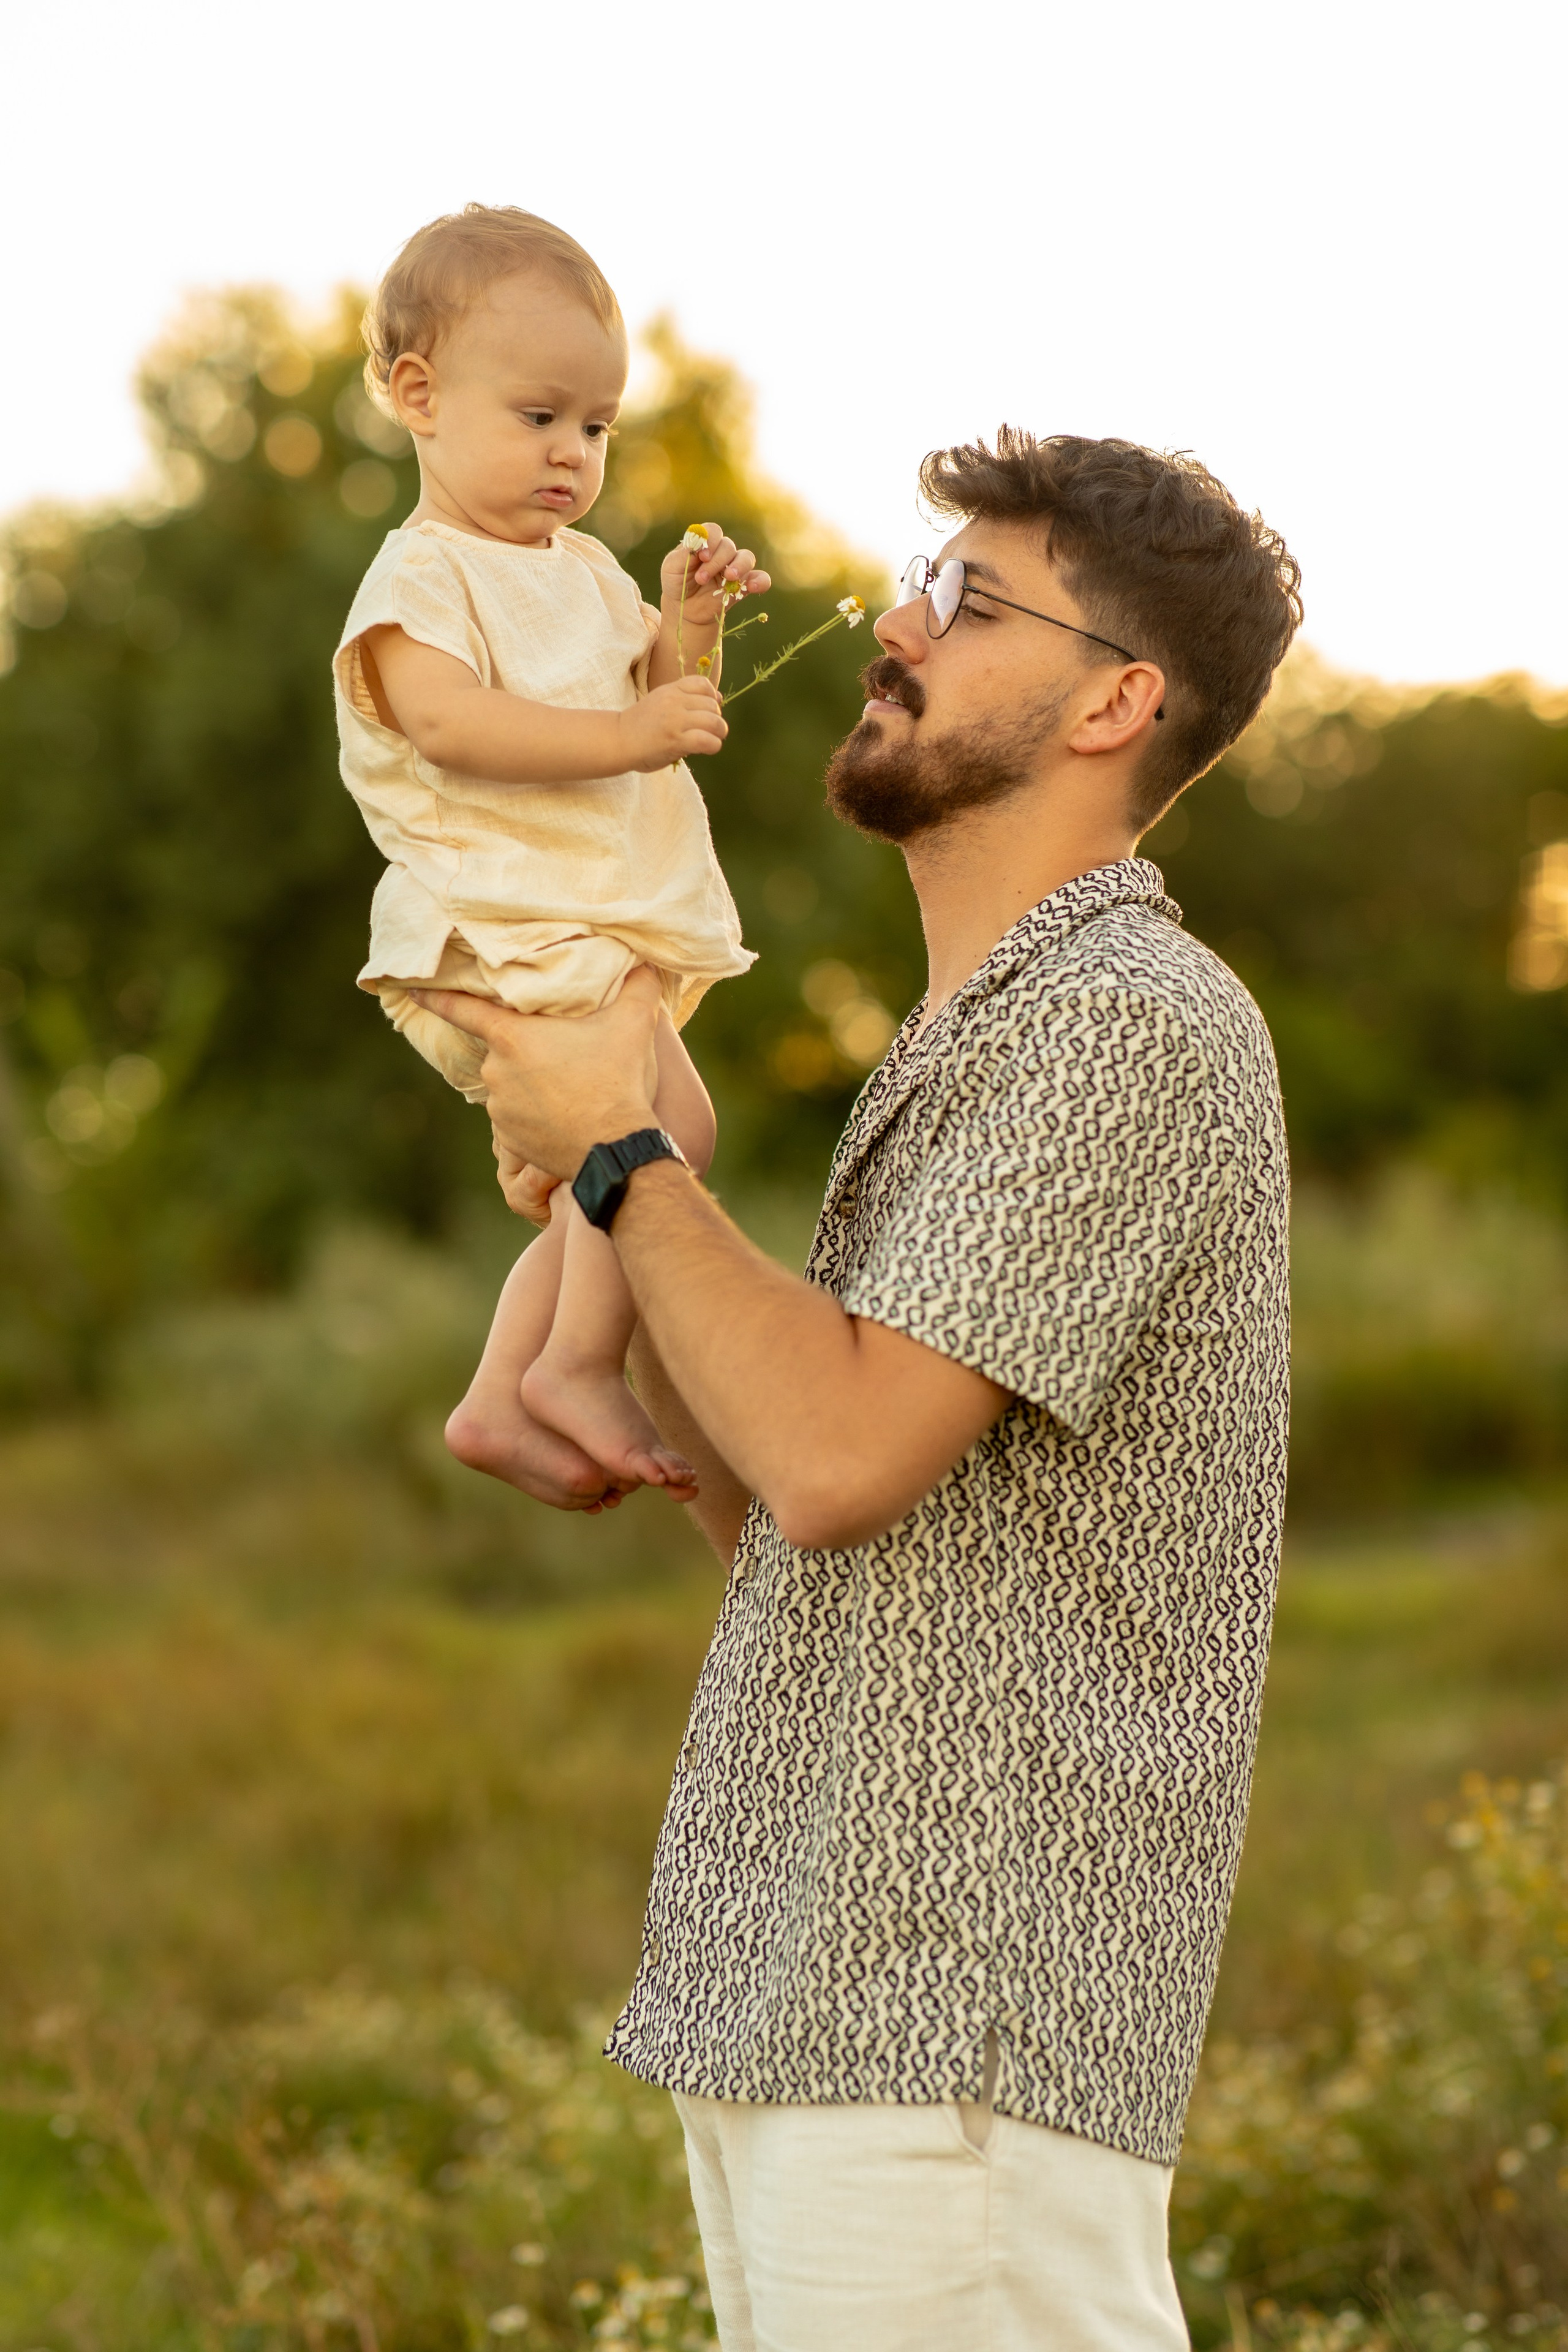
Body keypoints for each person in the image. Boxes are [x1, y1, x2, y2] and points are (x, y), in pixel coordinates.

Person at [415, 429, 1303, 2351]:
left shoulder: (1130, 1027)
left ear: (1116, 701)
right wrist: (614, 1196)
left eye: (970, 601)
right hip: (808, 2005)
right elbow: (790, 1525)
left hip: (955, 2035)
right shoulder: (965, 1052)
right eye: (926, 578)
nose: (895, 623)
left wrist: (632, 1174)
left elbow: (823, 1463)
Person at [331, 203, 765, 1504]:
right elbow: (453, 726)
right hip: (499, 918)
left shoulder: (579, 572)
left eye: (595, 426)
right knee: (642, 1141)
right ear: (419, 395)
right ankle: (575, 1364)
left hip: (579, 920)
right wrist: (633, 727)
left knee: (672, 1138)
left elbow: (665, 701)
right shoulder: (424, 578)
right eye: (538, 418)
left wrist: (688, 622)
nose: (572, 453)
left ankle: (501, 1392)